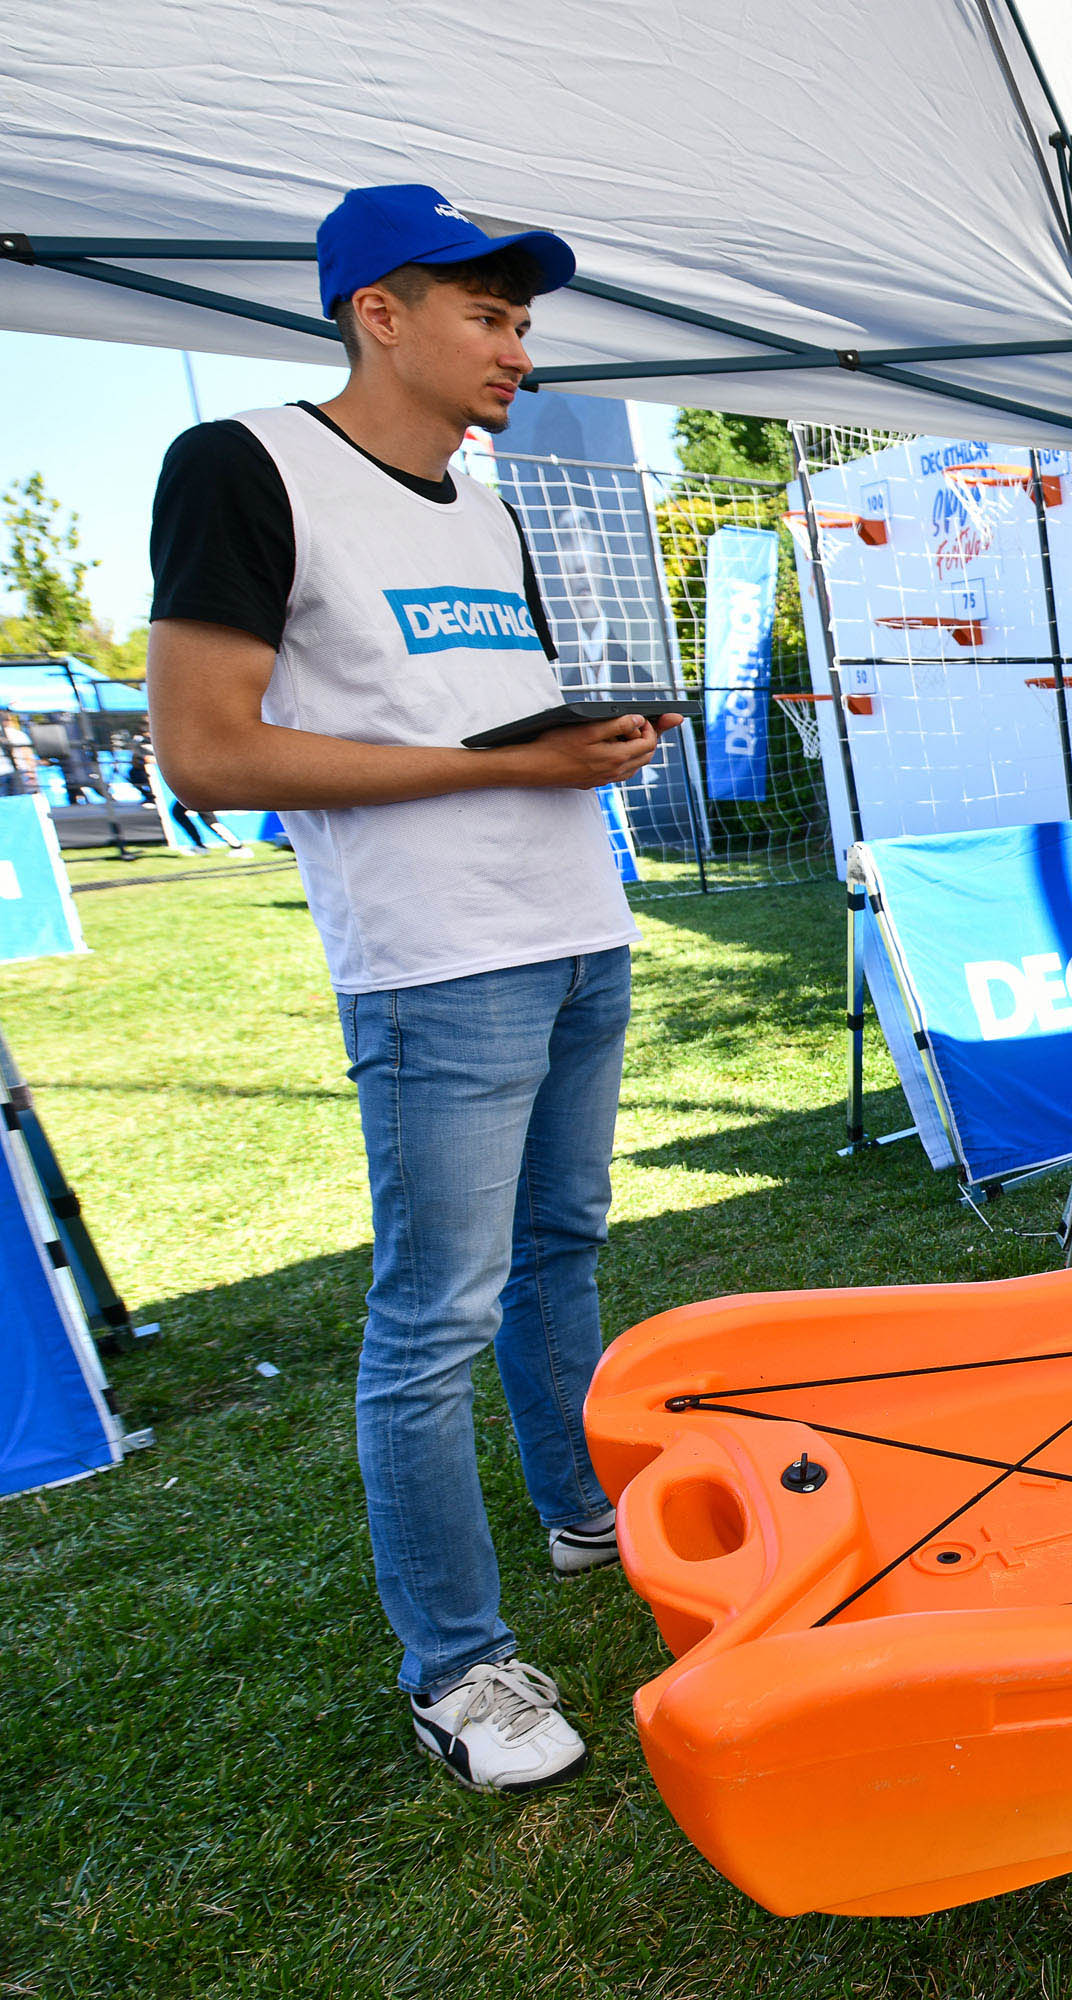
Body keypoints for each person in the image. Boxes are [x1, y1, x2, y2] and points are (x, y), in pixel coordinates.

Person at [145, 184, 680, 1796]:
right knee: (433, 1314)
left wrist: (582, 744)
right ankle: (458, 1666)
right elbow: (207, 748)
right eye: (490, 316)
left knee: (563, 1247)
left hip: (576, 920)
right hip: (438, 961)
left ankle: (582, 1511)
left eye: (523, 322)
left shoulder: (485, 496)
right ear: (379, 311)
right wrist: (480, 767)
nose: (520, 349)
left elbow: (473, 704)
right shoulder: (242, 463)